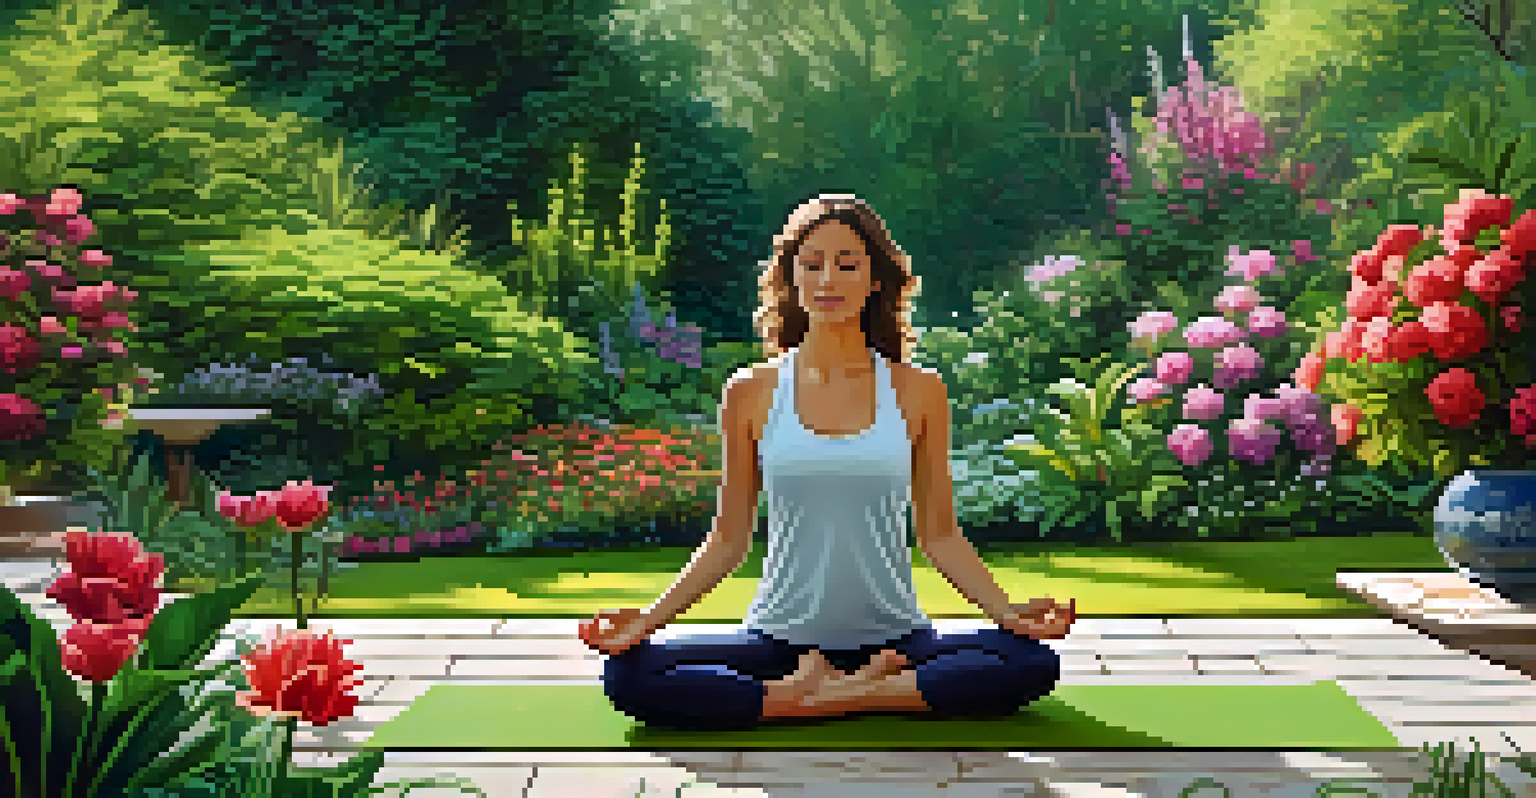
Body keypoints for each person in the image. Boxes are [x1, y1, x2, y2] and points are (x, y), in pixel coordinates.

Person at [579, 194, 1074, 731]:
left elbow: (940, 535)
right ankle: (853, 692)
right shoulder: (751, 391)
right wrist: (647, 621)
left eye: (847, 264)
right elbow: (728, 540)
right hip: (778, 641)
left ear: (875, 278)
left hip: (897, 640)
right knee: (630, 675)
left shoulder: (918, 391)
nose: (828, 279)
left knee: (1030, 662)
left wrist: (1006, 613)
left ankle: (826, 696)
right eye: (812, 264)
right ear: (790, 277)